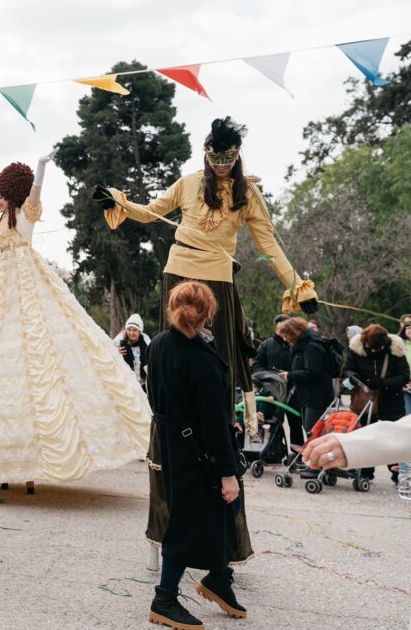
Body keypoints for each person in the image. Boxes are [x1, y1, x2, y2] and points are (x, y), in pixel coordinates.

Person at [96, 117, 319, 564]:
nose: (220, 165)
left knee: (214, 374)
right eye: (214, 157)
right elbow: (149, 211)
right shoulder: (189, 182)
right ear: (206, 153)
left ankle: (220, 442)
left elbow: (269, 244)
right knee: (174, 364)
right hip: (177, 273)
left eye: (228, 158)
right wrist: (117, 199)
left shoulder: (247, 194)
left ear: (237, 156)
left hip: (218, 283)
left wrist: (299, 286)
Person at [0, 157, 151, 491]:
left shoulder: (26, 215)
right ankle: (3, 457)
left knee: (44, 352)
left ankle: (36, 458)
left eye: (2, 195)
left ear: (13, 193)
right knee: (2, 357)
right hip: (2, 290)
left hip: (29, 287)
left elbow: (35, 192)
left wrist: (41, 166)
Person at [145, 281, 247, 629]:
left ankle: (218, 577)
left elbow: (153, 393)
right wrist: (227, 471)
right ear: (209, 312)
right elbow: (214, 421)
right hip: (197, 449)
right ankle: (165, 598)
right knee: (187, 521)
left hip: (171, 440)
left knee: (222, 508)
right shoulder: (199, 357)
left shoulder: (159, 343)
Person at [343, 324, 410, 482]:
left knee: (394, 437)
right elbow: (347, 369)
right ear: (365, 342)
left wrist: (382, 382)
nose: (374, 351)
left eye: (378, 348)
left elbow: (404, 376)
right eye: (371, 348)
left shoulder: (395, 349)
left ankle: (397, 474)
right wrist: (354, 377)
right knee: (366, 435)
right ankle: (365, 472)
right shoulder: (356, 348)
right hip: (365, 399)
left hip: (391, 398)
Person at [275, 317, 334, 439]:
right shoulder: (302, 345)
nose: (285, 340)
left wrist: (290, 375)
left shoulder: (311, 346)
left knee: (312, 429)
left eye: (286, 336)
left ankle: (316, 456)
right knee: (309, 428)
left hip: (317, 396)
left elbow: (313, 372)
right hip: (307, 395)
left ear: (293, 333)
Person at [116, 314, 150, 390]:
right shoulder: (120, 345)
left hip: (143, 383)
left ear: (139, 331)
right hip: (128, 384)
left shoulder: (146, 344)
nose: (131, 333)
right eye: (129, 329)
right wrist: (117, 353)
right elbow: (112, 361)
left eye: (134, 330)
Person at [398, 316, 411, 416]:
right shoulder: (398, 345)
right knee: (407, 418)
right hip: (405, 388)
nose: (410, 329)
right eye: (407, 327)